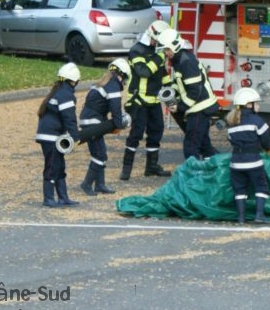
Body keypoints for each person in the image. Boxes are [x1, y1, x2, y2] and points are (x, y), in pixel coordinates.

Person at [120, 20, 173, 181]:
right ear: (152, 36)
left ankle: (151, 167)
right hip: (139, 100)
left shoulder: (156, 51)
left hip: (154, 100)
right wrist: (159, 58)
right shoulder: (137, 50)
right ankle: (126, 169)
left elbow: (161, 73)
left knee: (156, 131)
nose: (161, 45)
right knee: (136, 134)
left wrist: (170, 89)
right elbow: (143, 72)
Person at [156, 28, 219, 161]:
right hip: (199, 107)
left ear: (175, 45)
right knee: (204, 144)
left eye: (167, 49)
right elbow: (180, 82)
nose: (166, 53)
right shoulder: (180, 59)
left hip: (199, 108)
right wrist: (172, 93)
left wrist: (180, 107)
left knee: (191, 145)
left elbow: (195, 91)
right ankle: (215, 168)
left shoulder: (186, 62)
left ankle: (191, 175)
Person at [78, 58, 132, 196]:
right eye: (125, 78)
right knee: (100, 154)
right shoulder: (113, 85)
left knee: (99, 153)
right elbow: (115, 109)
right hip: (93, 123)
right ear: (122, 74)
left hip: (90, 121)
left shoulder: (104, 82)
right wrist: (119, 125)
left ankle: (100, 185)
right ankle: (87, 184)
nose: (124, 82)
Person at [34, 62, 84, 208]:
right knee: (52, 166)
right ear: (74, 80)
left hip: (51, 135)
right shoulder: (66, 95)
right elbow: (69, 118)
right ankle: (48, 198)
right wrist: (76, 138)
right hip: (51, 137)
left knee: (59, 165)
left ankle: (63, 197)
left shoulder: (58, 92)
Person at [225, 87, 270, 224]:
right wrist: (268, 149)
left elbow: (231, 139)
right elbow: (265, 139)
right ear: (248, 105)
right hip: (253, 162)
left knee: (239, 190)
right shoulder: (257, 121)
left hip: (235, 163)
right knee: (261, 187)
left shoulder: (232, 123)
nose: (258, 106)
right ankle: (259, 215)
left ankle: (241, 218)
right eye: (256, 103)